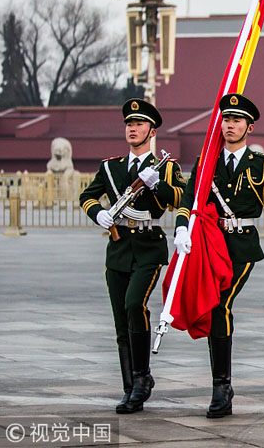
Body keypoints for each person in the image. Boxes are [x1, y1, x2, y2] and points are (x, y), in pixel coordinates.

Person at [173, 93, 264, 419]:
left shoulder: (263, 165)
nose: (230, 125)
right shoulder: (207, 160)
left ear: (250, 127)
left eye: (236, 120)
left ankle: (221, 387)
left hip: (242, 246)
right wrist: (181, 227)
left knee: (220, 303)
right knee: (212, 306)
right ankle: (221, 382)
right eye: (226, 119)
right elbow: (188, 199)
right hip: (211, 242)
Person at [79, 99, 185, 414]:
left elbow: (181, 197)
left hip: (149, 245)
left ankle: (142, 377)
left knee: (133, 304)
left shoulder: (165, 167)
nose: (132, 129)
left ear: (151, 131)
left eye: (139, 125)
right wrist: (97, 213)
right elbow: (87, 196)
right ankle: (131, 388)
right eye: (129, 124)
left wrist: (158, 187)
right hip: (119, 247)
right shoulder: (110, 167)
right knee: (120, 320)